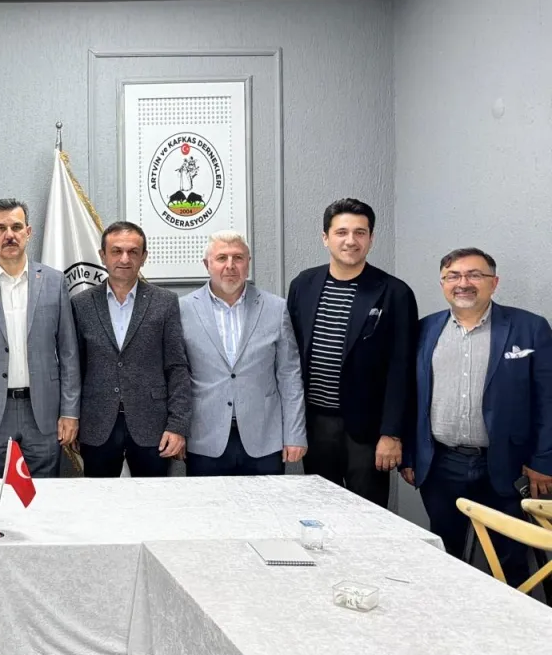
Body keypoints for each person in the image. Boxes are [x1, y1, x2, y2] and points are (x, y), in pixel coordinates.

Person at [403, 247, 552, 589]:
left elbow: (548, 399)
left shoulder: (530, 328)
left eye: (474, 275)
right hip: (441, 465)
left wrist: (544, 460)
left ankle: (514, 618)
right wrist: (411, 454)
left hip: (508, 465)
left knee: (511, 559)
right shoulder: (425, 330)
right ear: (442, 284)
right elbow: (411, 398)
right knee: (447, 555)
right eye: (453, 276)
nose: (463, 283)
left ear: (493, 282)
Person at [286, 198, 418, 508]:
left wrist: (392, 434)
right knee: (319, 511)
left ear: (371, 238)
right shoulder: (303, 284)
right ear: (325, 238)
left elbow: (402, 369)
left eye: (360, 232)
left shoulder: (394, 292)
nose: (350, 240)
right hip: (316, 425)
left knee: (366, 514)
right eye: (341, 232)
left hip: (368, 431)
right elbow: (291, 356)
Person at [0, 199, 80, 478]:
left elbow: (69, 353)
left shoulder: (54, 282)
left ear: (28, 232)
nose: (9, 234)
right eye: (1, 228)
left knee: (43, 493)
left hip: (43, 411)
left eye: (16, 227)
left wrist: (70, 412)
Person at [178, 231, 306, 476]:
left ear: (248, 262)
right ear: (207, 264)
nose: (230, 265)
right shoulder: (183, 309)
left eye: (238, 257)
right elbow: (176, 377)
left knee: (267, 501)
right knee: (208, 502)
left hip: (265, 438)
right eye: (221, 258)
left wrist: (295, 434)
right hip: (204, 438)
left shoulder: (275, 307)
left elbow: (289, 375)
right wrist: (178, 430)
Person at [70, 221, 190, 478]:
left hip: (153, 425)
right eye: (116, 251)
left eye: (133, 252)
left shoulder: (165, 302)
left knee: (153, 498)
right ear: (103, 256)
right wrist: (72, 418)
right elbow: (74, 369)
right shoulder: (81, 304)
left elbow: (177, 368)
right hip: (97, 425)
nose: (124, 259)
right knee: (99, 498)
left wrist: (177, 425)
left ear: (143, 257)